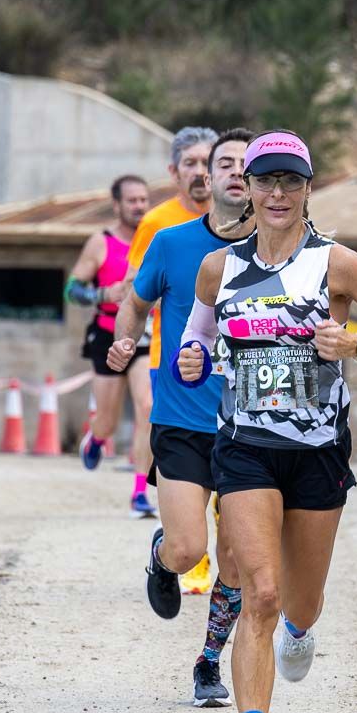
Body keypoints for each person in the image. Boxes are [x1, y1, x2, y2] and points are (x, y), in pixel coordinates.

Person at [175, 130, 357, 713]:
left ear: (307, 188)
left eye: (292, 181)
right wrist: (191, 360)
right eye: (267, 181)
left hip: (318, 452)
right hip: (245, 449)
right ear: (249, 190)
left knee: (301, 603)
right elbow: (195, 340)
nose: (279, 193)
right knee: (259, 592)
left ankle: (300, 630)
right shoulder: (218, 269)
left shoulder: (337, 265)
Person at [107, 129, 256, 706]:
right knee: (190, 549)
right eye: (225, 163)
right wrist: (126, 342)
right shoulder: (171, 244)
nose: (236, 172)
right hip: (182, 421)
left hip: (252, 426)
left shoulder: (281, 253)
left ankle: (208, 662)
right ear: (208, 179)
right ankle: (160, 553)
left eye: (249, 164)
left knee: (238, 561)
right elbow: (135, 302)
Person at [125, 126, 217, 594]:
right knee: (150, 414)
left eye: (209, 163)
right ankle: (183, 551)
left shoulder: (256, 227)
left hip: (234, 380)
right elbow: (135, 288)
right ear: (175, 171)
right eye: (192, 164)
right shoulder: (159, 224)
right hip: (169, 357)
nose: (201, 173)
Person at [68, 175, 155, 517]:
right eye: (132, 200)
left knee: (148, 406)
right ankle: (96, 437)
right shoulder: (100, 243)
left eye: (143, 200)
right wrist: (103, 294)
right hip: (107, 334)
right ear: (117, 205)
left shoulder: (156, 239)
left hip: (146, 336)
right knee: (106, 421)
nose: (139, 206)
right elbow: (71, 290)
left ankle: (139, 494)